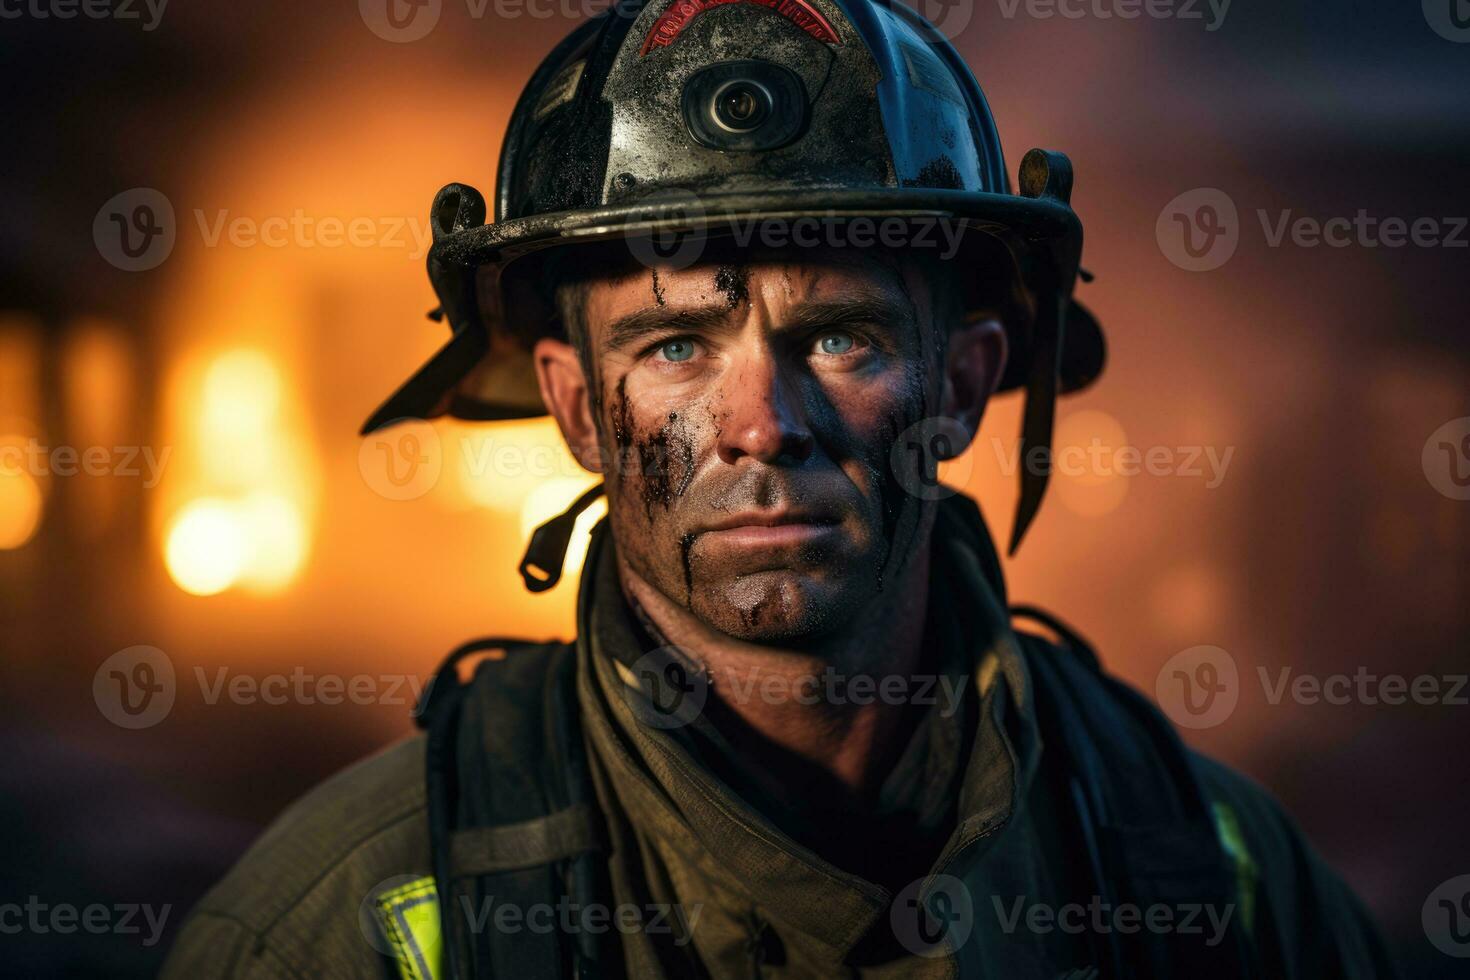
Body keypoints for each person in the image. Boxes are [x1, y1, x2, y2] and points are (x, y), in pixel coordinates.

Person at [162, 0, 1396, 976]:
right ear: (582, 409)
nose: (762, 422)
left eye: (841, 337)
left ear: (965, 383)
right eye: (675, 346)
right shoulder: (345, 923)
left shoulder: (1197, 864)